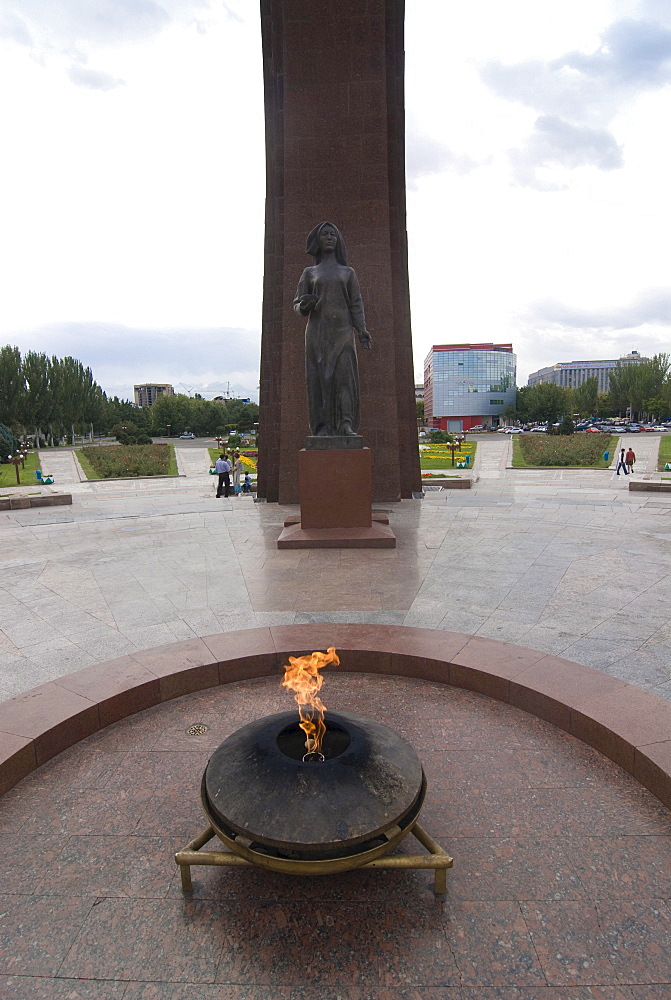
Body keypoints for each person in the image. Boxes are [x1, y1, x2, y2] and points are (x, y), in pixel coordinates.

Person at [294, 221, 372, 437]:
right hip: (317, 334)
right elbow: (297, 306)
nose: (329, 237)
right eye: (325, 234)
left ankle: (346, 425)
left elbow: (356, 303)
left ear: (338, 241)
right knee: (319, 380)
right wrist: (305, 305)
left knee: (344, 378)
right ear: (318, 241)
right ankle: (321, 427)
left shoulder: (348, 273)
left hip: (343, 333)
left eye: (333, 234)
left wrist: (361, 330)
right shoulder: (309, 273)